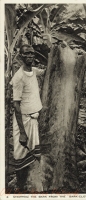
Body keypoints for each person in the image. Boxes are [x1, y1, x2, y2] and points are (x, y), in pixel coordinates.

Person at [10, 44, 46, 191]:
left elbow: (45, 71)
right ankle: (19, 186)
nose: (30, 56)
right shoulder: (19, 77)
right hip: (23, 121)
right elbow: (16, 106)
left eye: (32, 53)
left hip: (33, 120)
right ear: (21, 56)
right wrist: (22, 132)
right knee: (20, 155)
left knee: (32, 153)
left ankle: (29, 184)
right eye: (27, 54)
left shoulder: (33, 71)